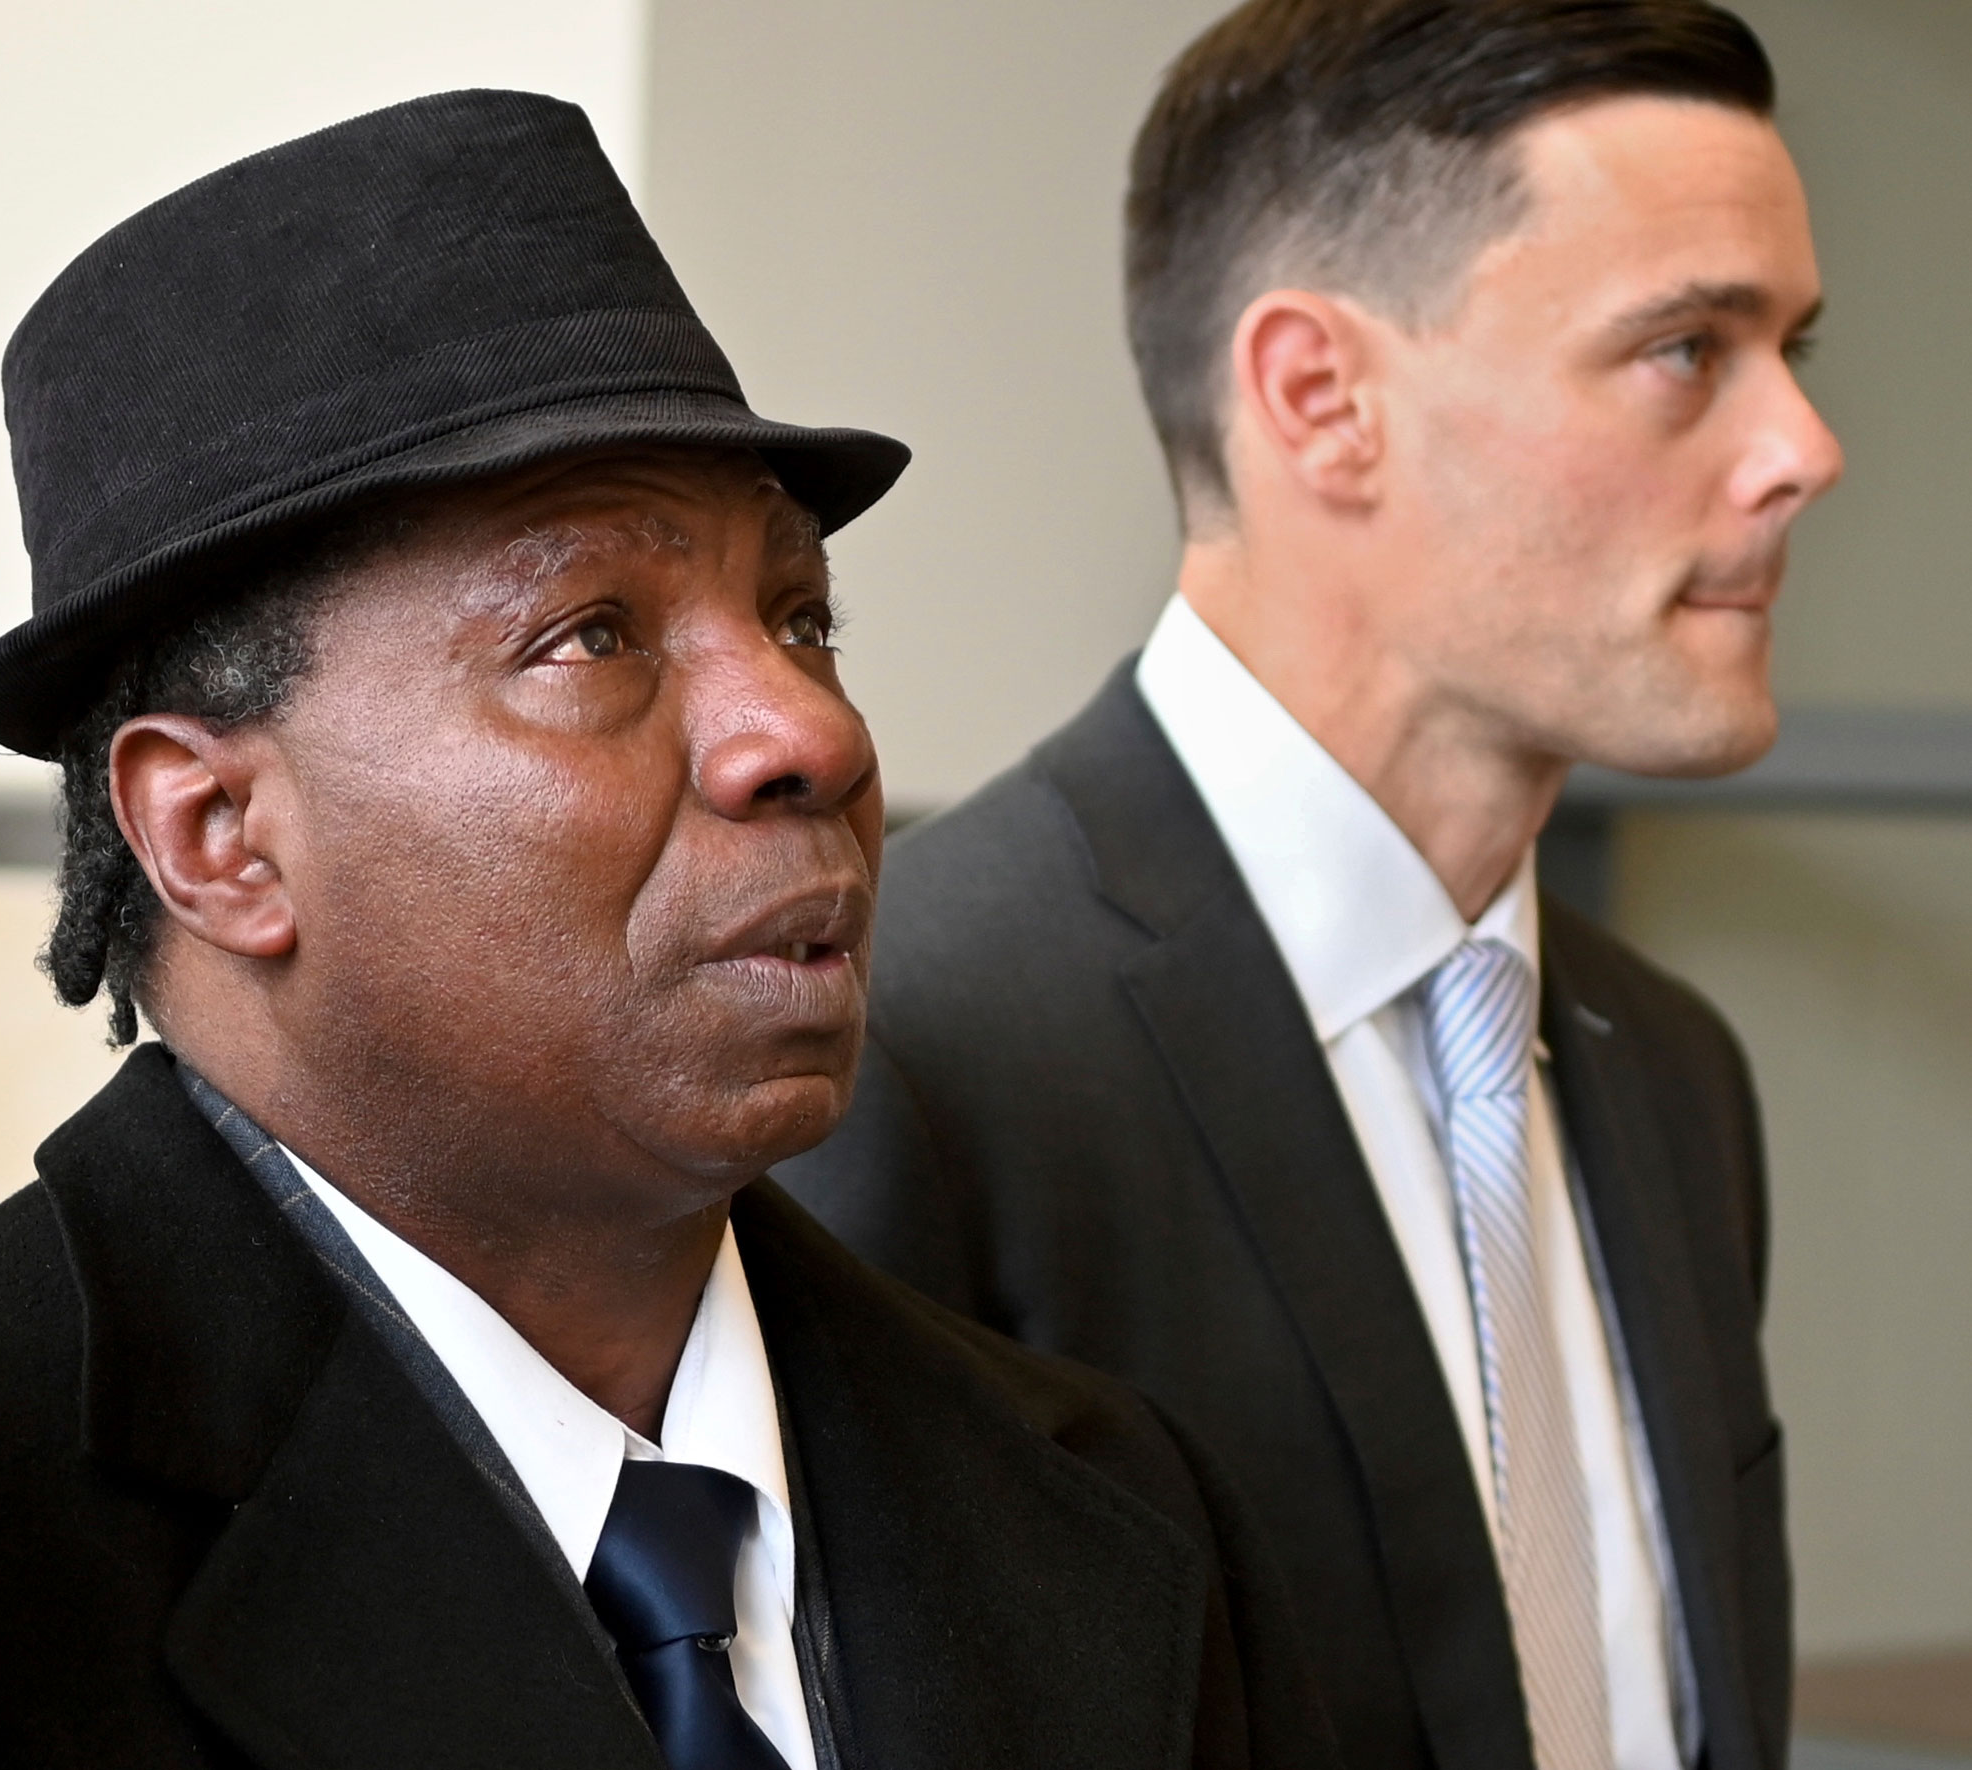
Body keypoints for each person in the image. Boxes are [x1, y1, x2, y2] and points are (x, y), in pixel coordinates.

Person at [0, 89, 1334, 1770]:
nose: (807, 732)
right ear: (220, 837)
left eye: (802, 615)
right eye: (591, 635)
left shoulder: (1119, 1508)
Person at [779, 5, 1839, 1770]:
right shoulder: (907, 1046)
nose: (1802, 445)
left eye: (1796, 347)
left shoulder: (1670, 1071)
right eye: (1683, 349)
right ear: (1320, 400)